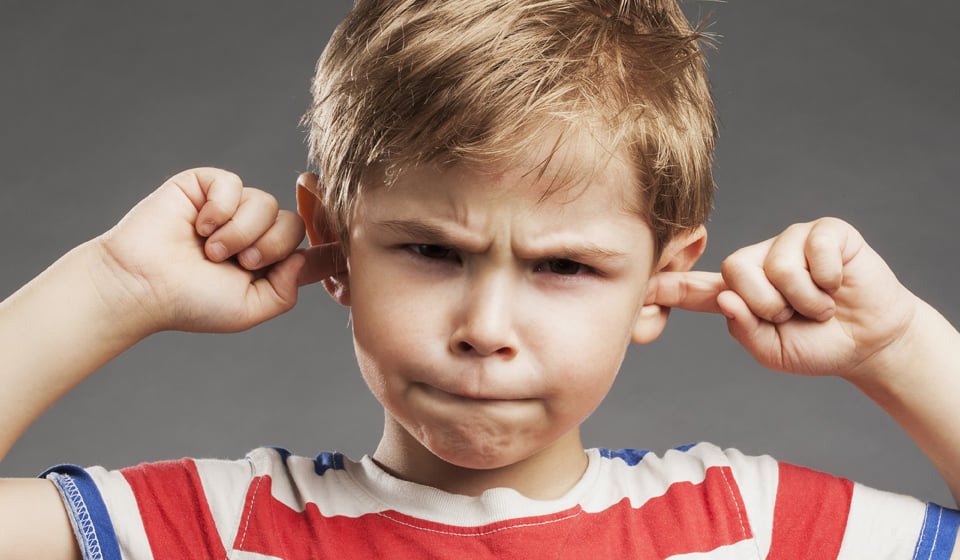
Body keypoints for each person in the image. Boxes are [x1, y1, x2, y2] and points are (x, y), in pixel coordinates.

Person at [2, 0, 959, 558]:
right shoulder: (224, 527)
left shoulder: (743, 525)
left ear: (662, 279)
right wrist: (114, 286)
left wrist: (898, 348)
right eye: (432, 251)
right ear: (334, 241)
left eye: (564, 265)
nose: (485, 326)